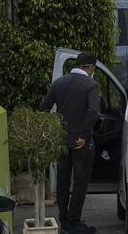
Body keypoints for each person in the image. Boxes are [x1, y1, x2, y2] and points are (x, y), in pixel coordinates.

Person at [39, 51, 100, 234]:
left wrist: (53, 131)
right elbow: (93, 111)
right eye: (93, 69)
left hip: (62, 141)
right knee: (80, 182)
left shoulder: (59, 83)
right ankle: (74, 222)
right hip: (82, 143)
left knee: (63, 181)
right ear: (90, 67)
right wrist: (83, 135)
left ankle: (64, 220)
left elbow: (43, 108)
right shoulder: (91, 85)